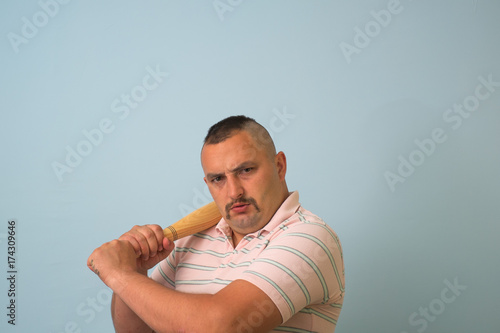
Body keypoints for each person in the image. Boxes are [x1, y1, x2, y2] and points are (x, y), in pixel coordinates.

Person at [88, 115, 345, 332]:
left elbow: (222, 326)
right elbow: (136, 330)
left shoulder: (310, 239)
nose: (234, 192)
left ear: (279, 166)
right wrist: (135, 270)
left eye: (246, 170)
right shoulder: (190, 239)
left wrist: (119, 275)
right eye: (218, 179)